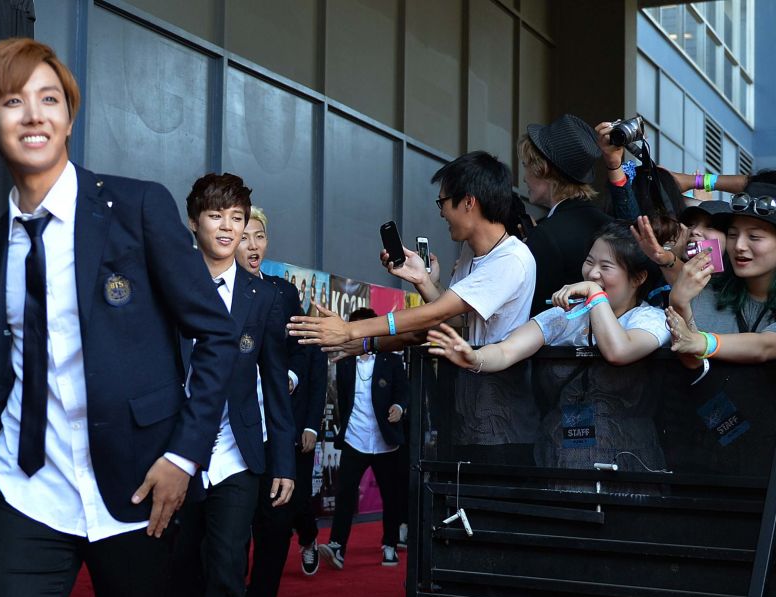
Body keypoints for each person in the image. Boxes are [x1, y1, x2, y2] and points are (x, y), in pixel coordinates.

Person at [0, 38, 239, 597]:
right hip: (24, 491)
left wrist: (183, 455)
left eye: (49, 98)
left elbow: (215, 337)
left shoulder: (138, 206)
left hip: (134, 486)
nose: (33, 114)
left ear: (69, 115)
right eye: (13, 101)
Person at [287, 151, 537, 463]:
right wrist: (421, 281)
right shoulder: (470, 253)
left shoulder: (511, 260)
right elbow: (454, 321)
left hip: (501, 421)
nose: (442, 212)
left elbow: (438, 313)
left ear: (469, 202)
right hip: (465, 409)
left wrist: (350, 329)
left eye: (443, 202)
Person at [167, 174, 297, 597]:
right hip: (174, 458)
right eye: (216, 216)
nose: (228, 227)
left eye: (237, 217)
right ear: (194, 222)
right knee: (181, 575)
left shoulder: (263, 297)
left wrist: (285, 459)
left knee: (225, 572)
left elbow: (275, 382)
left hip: (237, 457)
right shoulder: (167, 285)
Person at [428, 221, 670, 470]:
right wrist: (474, 358)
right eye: (589, 262)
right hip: (561, 456)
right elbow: (507, 349)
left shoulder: (651, 319)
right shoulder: (565, 316)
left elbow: (618, 350)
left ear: (638, 277)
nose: (593, 273)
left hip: (629, 459)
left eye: (605, 267)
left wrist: (594, 294)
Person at [240, 207, 328, 597]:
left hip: (278, 435)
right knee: (229, 538)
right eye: (245, 236)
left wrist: (288, 378)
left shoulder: (282, 291)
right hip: (230, 440)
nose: (254, 245)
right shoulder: (214, 292)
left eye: (260, 236)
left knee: (274, 530)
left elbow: (300, 348)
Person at [665, 183, 776, 362]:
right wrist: (679, 303)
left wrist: (703, 343)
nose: (739, 246)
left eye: (754, 237)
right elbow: (692, 362)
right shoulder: (707, 292)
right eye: (732, 235)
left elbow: (764, 347)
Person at [317, 308, 410, 569]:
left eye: (360, 330)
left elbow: (404, 391)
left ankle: (390, 544)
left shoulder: (391, 360)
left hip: (385, 441)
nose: (355, 336)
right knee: (345, 493)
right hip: (355, 439)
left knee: (391, 497)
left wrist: (399, 408)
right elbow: (344, 401)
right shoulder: (345, 363)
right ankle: (337, 546)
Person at [517, 114, 612, 310]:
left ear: (542, 169)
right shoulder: (610, 225)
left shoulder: (546, 234)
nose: (524, 177)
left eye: (526, 166)